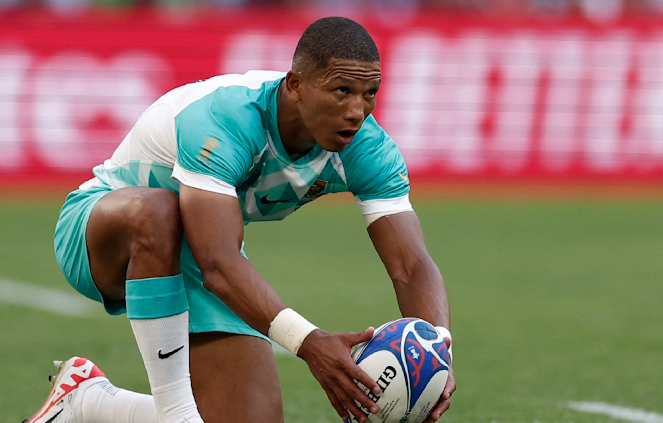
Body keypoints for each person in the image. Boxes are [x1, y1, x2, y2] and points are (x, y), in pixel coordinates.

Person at [24, 16, 456, 423]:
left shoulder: (368, 148)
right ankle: (177, 415)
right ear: (296, 86)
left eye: (369, 93)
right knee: (160, 211)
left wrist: (438, 351)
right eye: (341, 90)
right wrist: (311, 344)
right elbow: (218, 263)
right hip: (100, 232)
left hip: (200, 252)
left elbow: (411, 263)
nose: (357, 110)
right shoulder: (227, 117)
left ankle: (85, 402)